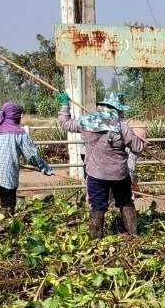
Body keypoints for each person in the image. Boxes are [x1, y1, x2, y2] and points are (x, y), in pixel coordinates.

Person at [57, 90, 145, 239]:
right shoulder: (122, 126)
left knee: (97, 206)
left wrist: (65, 105)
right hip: (119, 174)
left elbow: (65, 124)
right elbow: (138, 148)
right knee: (125, 202)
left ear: (104, 106)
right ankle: (133, 236)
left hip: (96, 174)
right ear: (117, 109)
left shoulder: (87, 121)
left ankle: (95, 241)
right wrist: (139, 140)